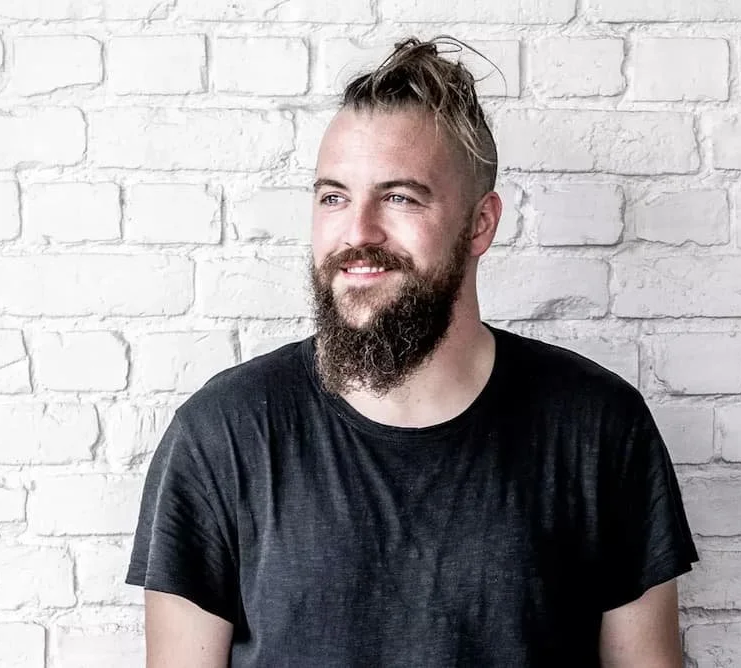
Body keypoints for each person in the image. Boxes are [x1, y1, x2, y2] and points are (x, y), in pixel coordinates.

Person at [126, 36, 699, 667]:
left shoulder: (598, 428)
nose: (358, 232)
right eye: (333, 196)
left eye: (399, 197)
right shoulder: (223, 434)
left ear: (480, 223)